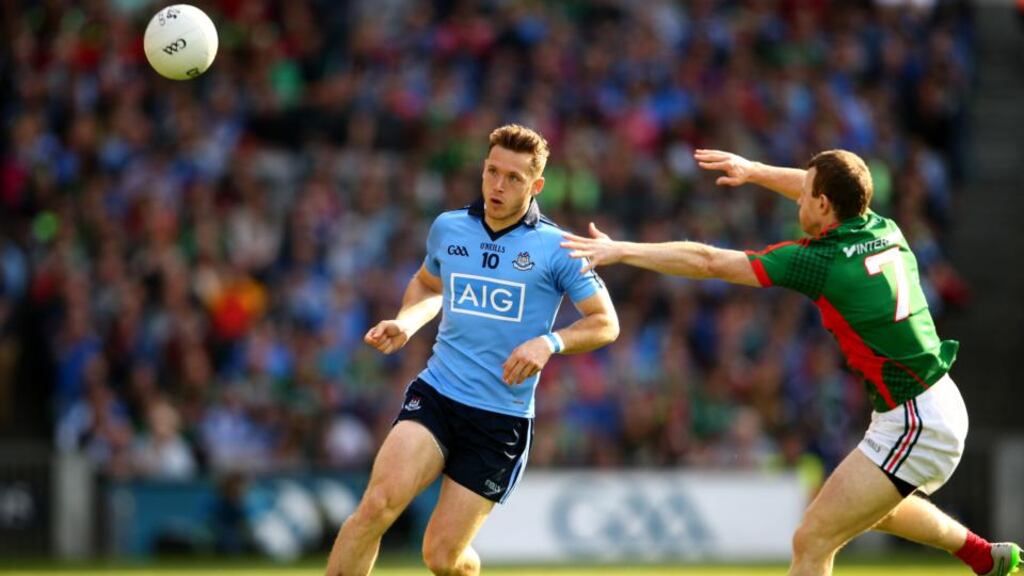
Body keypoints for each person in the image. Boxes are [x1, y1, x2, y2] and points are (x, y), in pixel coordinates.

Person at [560, 148, 1022, 576]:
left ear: (823, 205)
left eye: (804, 193)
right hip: (929, 404)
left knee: (813, 539)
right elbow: (824, 188)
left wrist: (623, 250)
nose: (797, 196)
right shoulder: (884, 227)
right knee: (882, 508)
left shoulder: (819, 261)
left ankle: (980, 556)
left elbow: (708, 262)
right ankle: (983, 557)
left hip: (916, 419)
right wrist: (756, 172)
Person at [325, 124, 619, 576]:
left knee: (442, 558)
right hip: (438, 395)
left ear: (536, 185)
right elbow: (429, 283)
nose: (498, 186)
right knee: (376, 507)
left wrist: (550, 341)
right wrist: (406, 322)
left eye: (514, 178)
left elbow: (606, 323)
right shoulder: (449, 228)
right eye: (492, 172)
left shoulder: (557, 248)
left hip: (499, 420)